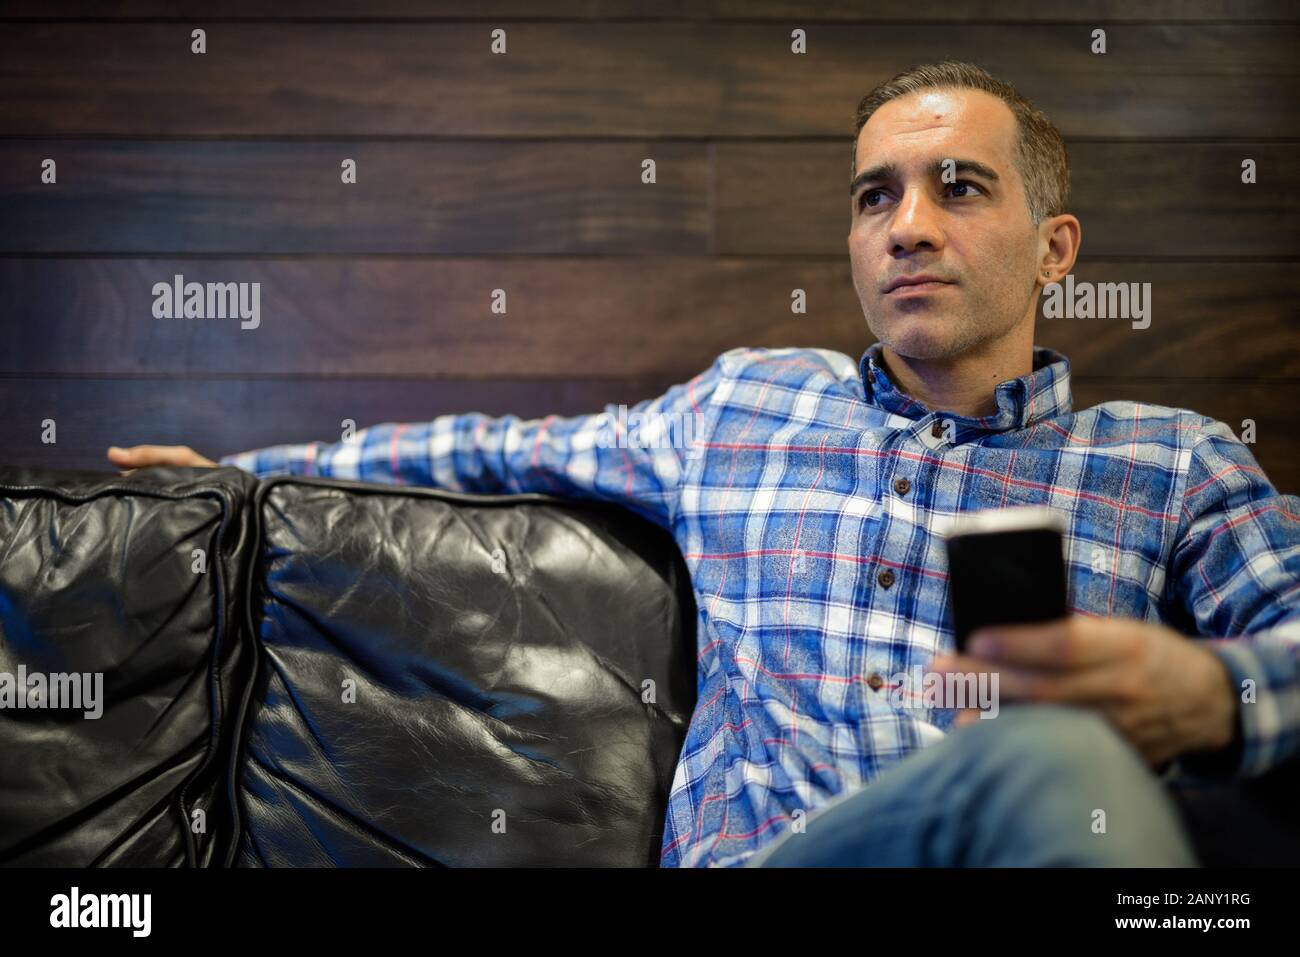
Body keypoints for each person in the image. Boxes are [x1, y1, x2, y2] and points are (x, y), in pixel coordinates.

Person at [107, 61, 1300, 868]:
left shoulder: (1167, 462)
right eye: (874, 196)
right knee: (1054, 757)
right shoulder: (744, 408)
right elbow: (491, 451)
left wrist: (1214, 697)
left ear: (1056, 250)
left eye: (960, 187)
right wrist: (235, 475)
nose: (908, 226)